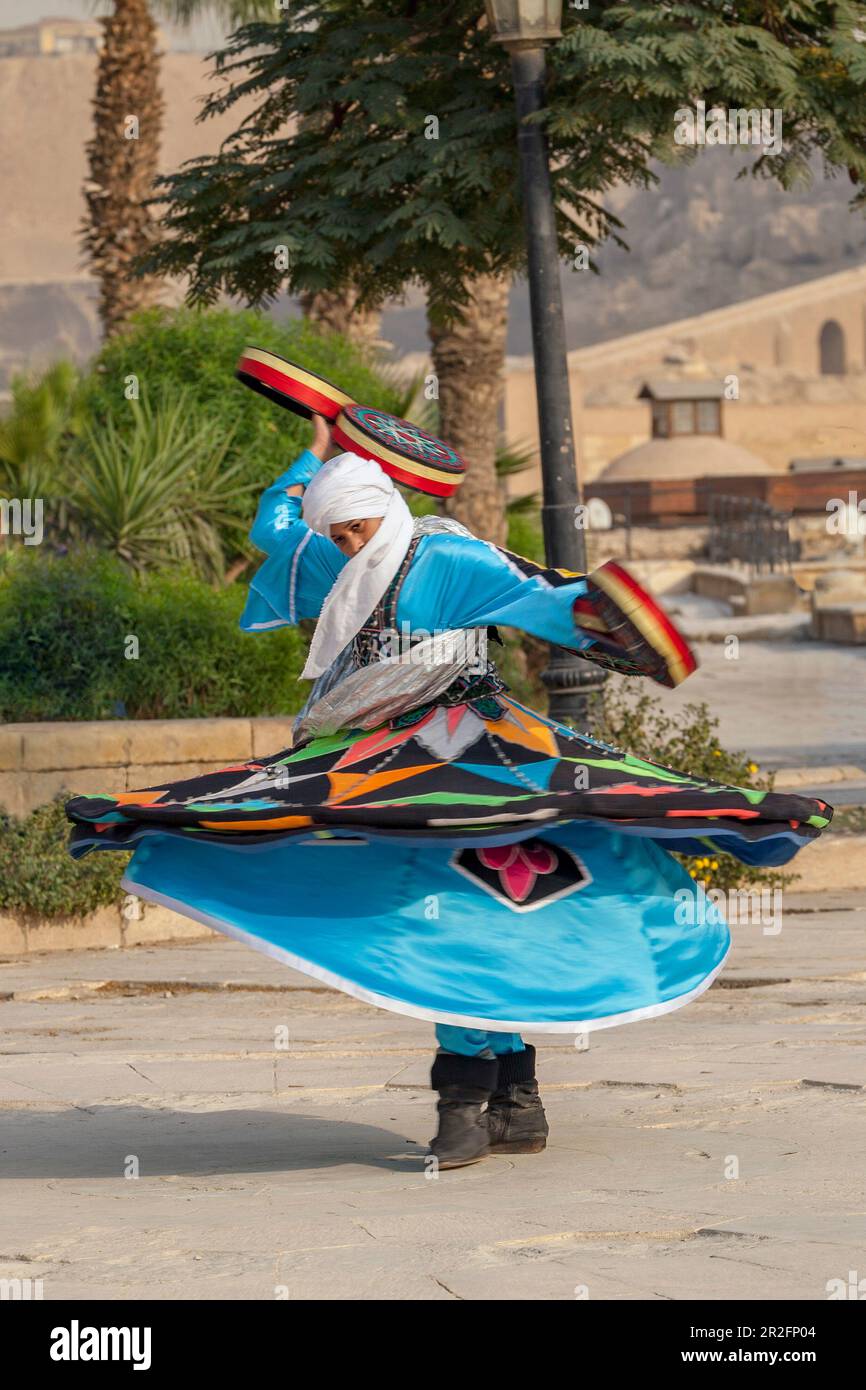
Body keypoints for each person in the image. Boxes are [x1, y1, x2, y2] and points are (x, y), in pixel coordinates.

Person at [66, 417, 833, 1170]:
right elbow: (275, 528)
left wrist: (611, 616)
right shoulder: (338, 556)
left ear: (388, 507)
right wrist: (313, 450)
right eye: (338, 535)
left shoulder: (446, 558)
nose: (350, 547)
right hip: (380, 760)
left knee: (483, 914)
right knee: (458, 915)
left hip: (483, 760)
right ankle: (509, 1101)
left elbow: (539, 594)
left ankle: (475, 1104)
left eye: (359, 529)